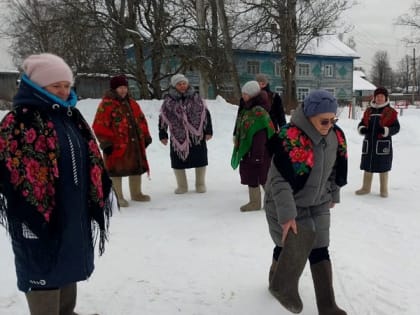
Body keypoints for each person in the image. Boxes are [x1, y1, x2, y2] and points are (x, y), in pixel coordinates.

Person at [0, 53, 113, 315]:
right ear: (38, 86)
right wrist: (30, 210)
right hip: (36, 213)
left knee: (69, 259)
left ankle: (66, 311)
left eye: (66, 85)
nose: (63, 91)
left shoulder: (70, 116)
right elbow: (11, 168)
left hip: (72, 208)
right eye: (55, 86)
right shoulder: (20, 120)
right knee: (42, 265)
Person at [264, 90, 348, 314]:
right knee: (291, 244)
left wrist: (333, 194)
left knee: (320, 245)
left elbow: (335, 170)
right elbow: (278, 181)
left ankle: (327, 305)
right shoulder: (289, 139)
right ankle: (280, 283)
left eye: (333, 120)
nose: (329, 125)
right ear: (309, 116)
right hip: (287, 201)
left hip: (319, 201)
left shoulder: (334, 137)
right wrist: (287, 215)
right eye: (324, 120)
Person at [92, 74, 152, 207]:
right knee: (116, 171)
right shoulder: (106, 104)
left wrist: (146, 136)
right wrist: (106, 143)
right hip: (116, 146)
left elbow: (142, 120)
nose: (123, 90)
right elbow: (99, 125)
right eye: (120, 87)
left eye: (125, 87)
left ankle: (136, 193)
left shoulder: (133, 103)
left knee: (136, 167)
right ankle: (118, 197)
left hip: (134, 144)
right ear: (114, 89)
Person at [159, 74, 213, 194]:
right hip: (178, 136)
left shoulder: (197, 97)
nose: (182, 86)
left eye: (184, 83)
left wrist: (208, 131)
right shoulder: (168, 101)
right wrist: (162, 134)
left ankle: (200, 184)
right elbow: (163, 118)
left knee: (200, 159)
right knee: (177, 161)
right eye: (179, 84)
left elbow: (206, 115)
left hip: (196, 135)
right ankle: (182, 186)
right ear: (174, 86)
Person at [231, 81, 275, 212]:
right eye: (243, 93)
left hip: (257, 152)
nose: (243, 96)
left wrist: (257, 155)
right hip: (250, 151)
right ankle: (255, 202)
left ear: (252, 95)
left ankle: (271, 203)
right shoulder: (248, 108)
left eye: (245, 94)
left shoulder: (258, 113)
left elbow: (260, 136)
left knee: (261, 177)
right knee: (253, 177)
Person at [355, 87, 400, 198]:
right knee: (367, 165)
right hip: (369, 143)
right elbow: (361, 123)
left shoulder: (390, 112)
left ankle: (384, 190)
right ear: (374, 98)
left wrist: (386, 131)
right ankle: (366, 188)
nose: (379, 98)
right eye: (377, 96)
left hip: (382, 144)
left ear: (386, 98)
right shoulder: (369, 111)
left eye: (382, 96)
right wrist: (362, 129)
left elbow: (396, 127)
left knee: (383, 166)